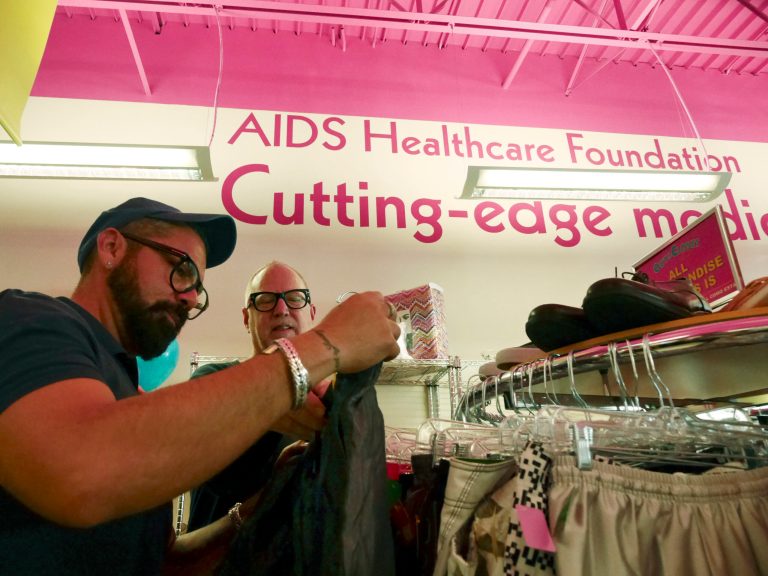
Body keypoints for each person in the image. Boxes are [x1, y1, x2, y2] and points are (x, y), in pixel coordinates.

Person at [0, 197, 400, 576]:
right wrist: (327, 344)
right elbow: (82, 471)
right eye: (183, 269)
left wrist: (266, 500)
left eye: (198, 288)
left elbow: (168, 563)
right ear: (112, 248)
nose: (191, 298)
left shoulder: (126, 392)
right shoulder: (31, 320)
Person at [187, 261, 329, 531]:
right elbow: (220, 474)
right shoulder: (213, 380)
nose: (281, 309)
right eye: (265, 300)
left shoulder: (325, 402)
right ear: (246, 318)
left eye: (294, 298)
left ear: (311, 313)